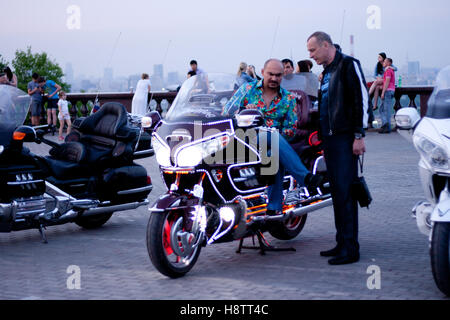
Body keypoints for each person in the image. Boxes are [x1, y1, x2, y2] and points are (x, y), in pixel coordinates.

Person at [223, 59, 323, 215]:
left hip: (273, 143)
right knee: (271, 135)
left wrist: (275, 135)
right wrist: (243, 110)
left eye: (278, 75)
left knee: (273, 152)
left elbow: (291, 130)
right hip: (246, 139)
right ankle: (306, 178)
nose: (274, 78)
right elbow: (227, 112)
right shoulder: (247, 89)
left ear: (283, 76)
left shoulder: (288, 98)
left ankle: (273, 209)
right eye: (271, 74)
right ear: (262, 72)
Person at [307, 31, 368, 265]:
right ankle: (341, 242)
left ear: (325, 45)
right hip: (330, 141)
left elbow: (360, 99)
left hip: (344, 139)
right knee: (338, 193)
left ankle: (350, 249)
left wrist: (359, 135)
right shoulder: (327, 72)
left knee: (346, 194)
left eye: (313, 50)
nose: (310, 55)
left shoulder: (348, 65)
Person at [379, 58, 396, 134]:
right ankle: (385, 125)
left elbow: (387, 82)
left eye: (385, 61)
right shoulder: (389, 70)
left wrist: (383, 92)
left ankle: (387, 127)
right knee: (382, 109)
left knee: (386, 110)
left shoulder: (388, 71)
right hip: (390, 90)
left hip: (388, 91)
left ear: (389, 63)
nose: (383, 63)